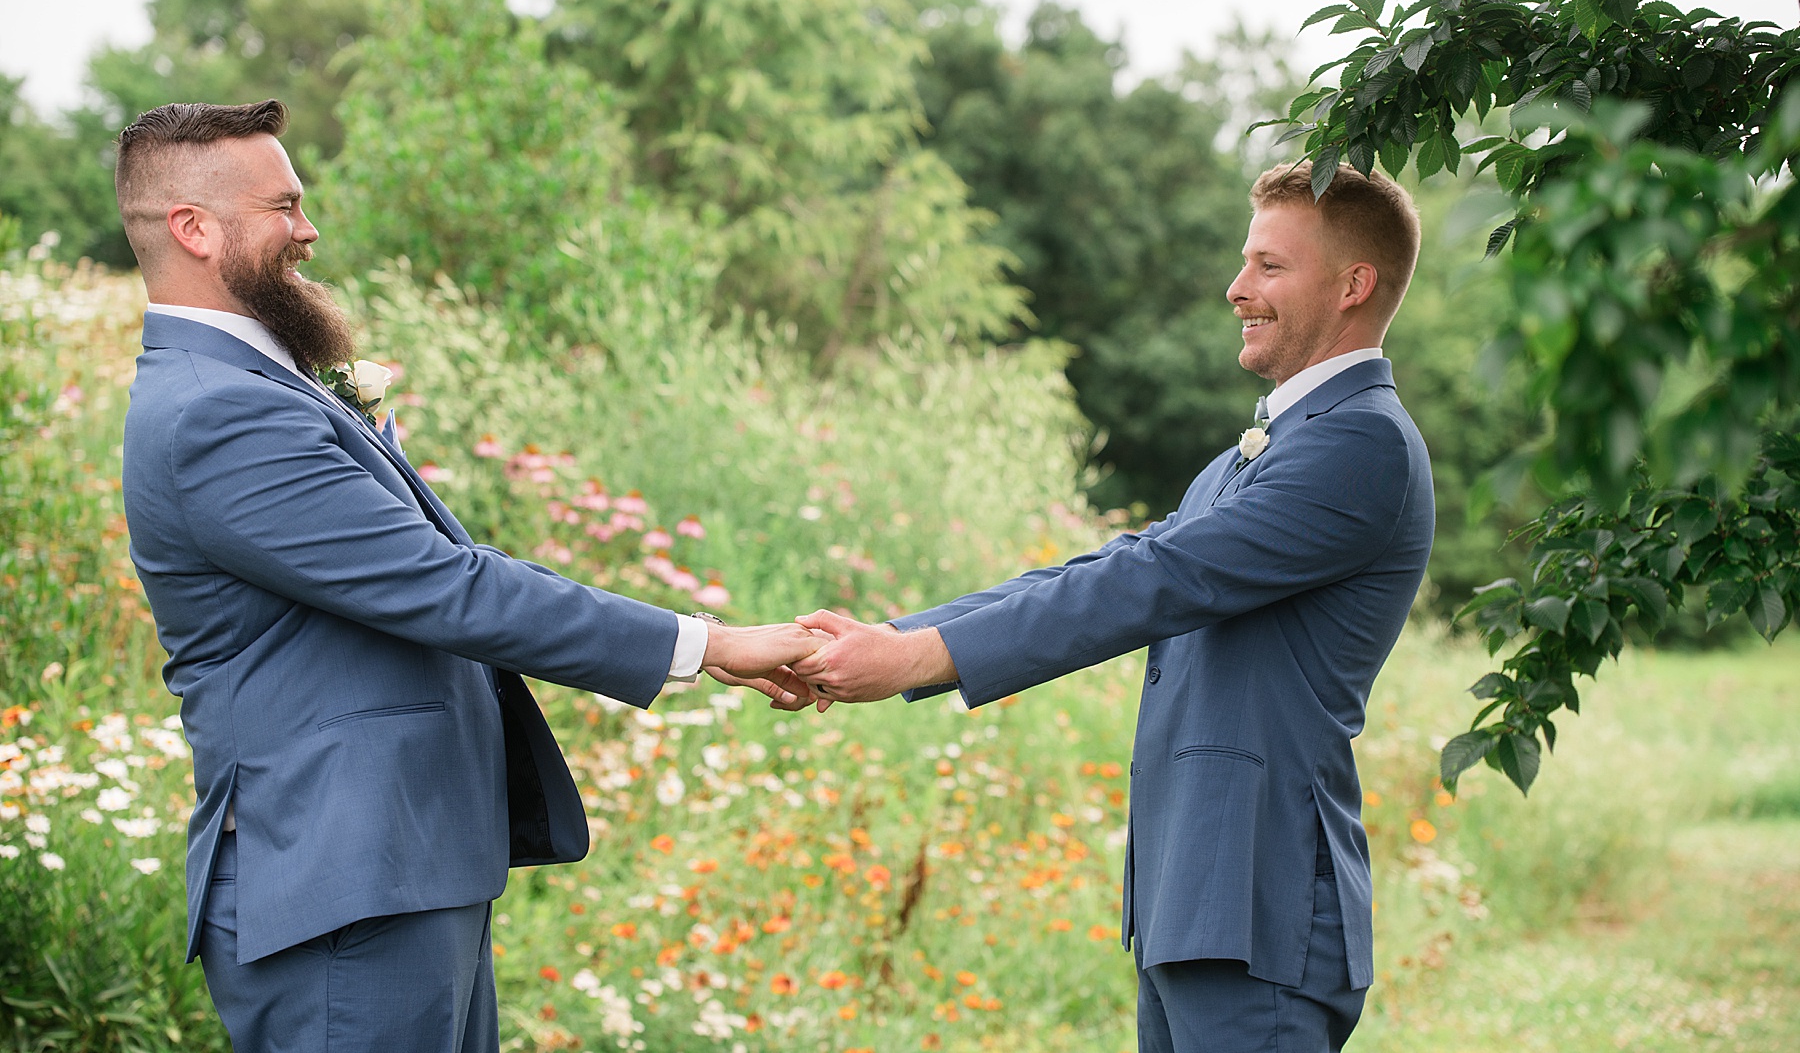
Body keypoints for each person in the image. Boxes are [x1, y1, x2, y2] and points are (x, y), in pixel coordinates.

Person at [115, 99, 822, 1052]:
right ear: (193, 228)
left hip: (394, 869)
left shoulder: (254, 388)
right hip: (342, 886)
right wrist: (711, 644)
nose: (307, 230)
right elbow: (449, 588)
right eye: (282, 207)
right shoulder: (219, 416)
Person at [791, 161, 1435, 1053]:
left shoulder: (1360, 444)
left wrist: (916, 661)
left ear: (1354, 284)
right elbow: (1118, 561)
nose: (1236, 288)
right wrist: (898, 637)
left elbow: (1153, 584)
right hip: (1196, 900)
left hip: (1260, 896)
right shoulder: (1265, 448)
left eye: (1269, 267)